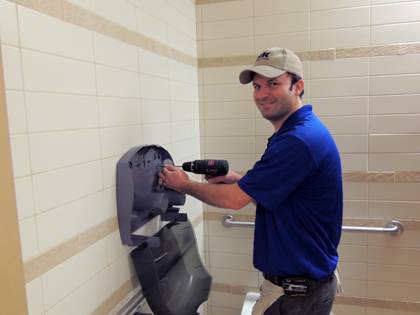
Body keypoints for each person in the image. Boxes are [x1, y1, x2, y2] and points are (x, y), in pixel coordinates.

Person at [159, 47, 343, 315]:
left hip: (294, 297)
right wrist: (236, 178)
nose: (262, 94)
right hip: (307, 289)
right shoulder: (299, 132)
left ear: (298, 86)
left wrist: (184, 185)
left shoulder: (297, 140)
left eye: (273, 84)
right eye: (257, 86)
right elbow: (280, 192)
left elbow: (235, 200)